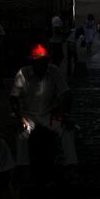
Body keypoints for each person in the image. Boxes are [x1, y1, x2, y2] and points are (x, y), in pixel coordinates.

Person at [9, 43, 78, 172]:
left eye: (44, 62)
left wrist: (65, 115)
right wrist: (19, 117)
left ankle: (71, 164)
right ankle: (23, 166)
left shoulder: (54, 71)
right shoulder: (23, 73)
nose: (42, 65)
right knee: (21, 134)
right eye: (38, 62)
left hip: (49, 114)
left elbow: (66, 94)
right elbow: (13, 98)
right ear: (32, 63)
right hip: (28, 115)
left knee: (67, 130)